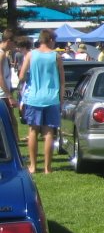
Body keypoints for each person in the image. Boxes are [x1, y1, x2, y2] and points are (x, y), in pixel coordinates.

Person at [18, 29, 64, 175]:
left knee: (33, 131)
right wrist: (61, 99)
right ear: (50, 39)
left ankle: (33, 166)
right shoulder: (56, 56)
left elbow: (21, 76)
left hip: (34, 97)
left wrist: (30, 81)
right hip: (51, 97)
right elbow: (62, 81)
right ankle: (47, 168)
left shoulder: (31, 55)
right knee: (49, 132)